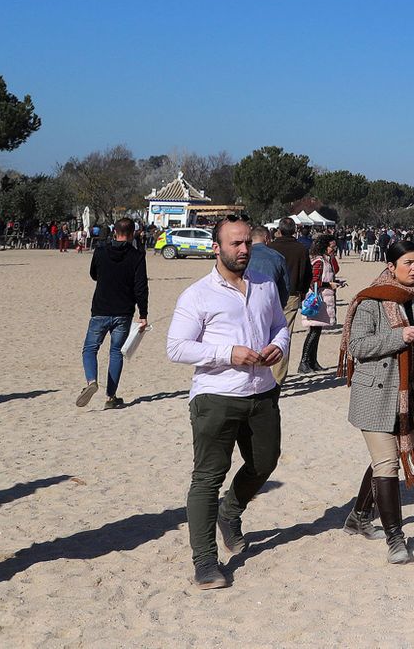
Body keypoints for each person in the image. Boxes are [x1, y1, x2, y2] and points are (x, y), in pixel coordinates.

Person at [166, 215, 290, 589]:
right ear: (216, 248)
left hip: (262, 392)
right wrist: (227, 353)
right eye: (235, 244)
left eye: (247, 243)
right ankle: (205, 561)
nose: (243, 250)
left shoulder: (265, 284)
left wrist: (278, 346)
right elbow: (176, 347)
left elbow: (280, 326)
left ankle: (230, 511)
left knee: (265, 461)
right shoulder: (197, 294)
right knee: (207, 477)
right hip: (216, 397)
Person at [338, 239, 414, 564]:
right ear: (391, 267)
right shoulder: (371, 299)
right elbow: (357, 345)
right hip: (374, 393)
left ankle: (358, 517)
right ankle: (395, 538)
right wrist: (398, 337)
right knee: (388, 461)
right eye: (408, 264)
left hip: (406, 393)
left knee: (382, 458)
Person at [79, 217, 150, 409]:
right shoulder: (137, 256)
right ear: (133, 232)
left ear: (114, 232)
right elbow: (141, 287)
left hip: (100, 310)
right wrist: (143, 314)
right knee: (116, 353)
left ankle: (91, 381)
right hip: (123, 312)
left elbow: (93, 274)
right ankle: (111, 396)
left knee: (90, 349)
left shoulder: (101, 251)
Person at [267, 218, 312, 386]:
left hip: (269, 293)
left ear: (279, 230)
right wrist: (303, 291)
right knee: (283, 337)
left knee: (263, 333)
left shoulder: (271, 247)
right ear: (294, 231)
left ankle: (263, 373)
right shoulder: (300, 249)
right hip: (291, 295)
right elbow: (307, 273)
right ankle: (278, 379)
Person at [299, 235, 340, 373]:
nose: (334, 249)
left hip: (325, 299)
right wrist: (330, 284)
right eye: (332, 247)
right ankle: (304, 362)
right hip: (318, 300)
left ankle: (312, 361)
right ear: (324, 246)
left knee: (317, 331)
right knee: (313, 332)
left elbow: (334, 270)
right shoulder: (319, 261)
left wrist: (336, 282)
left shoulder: (326, 260)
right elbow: (314, 282)